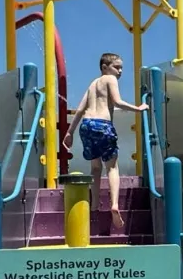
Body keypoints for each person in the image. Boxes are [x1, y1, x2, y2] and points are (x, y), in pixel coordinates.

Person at [62, 53, 149, 235]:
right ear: (104, 67)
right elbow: (117, 101)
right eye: (117, 67)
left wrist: (70, 132)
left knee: (95, 168)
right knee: (112, 167)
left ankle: (94, 205)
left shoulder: (92, 84)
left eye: (121, 68)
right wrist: (138, 109)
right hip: (102, 125)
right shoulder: (110, 79)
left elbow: (80, 110)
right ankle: (114, 204)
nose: (120, 71)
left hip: (86, 126)